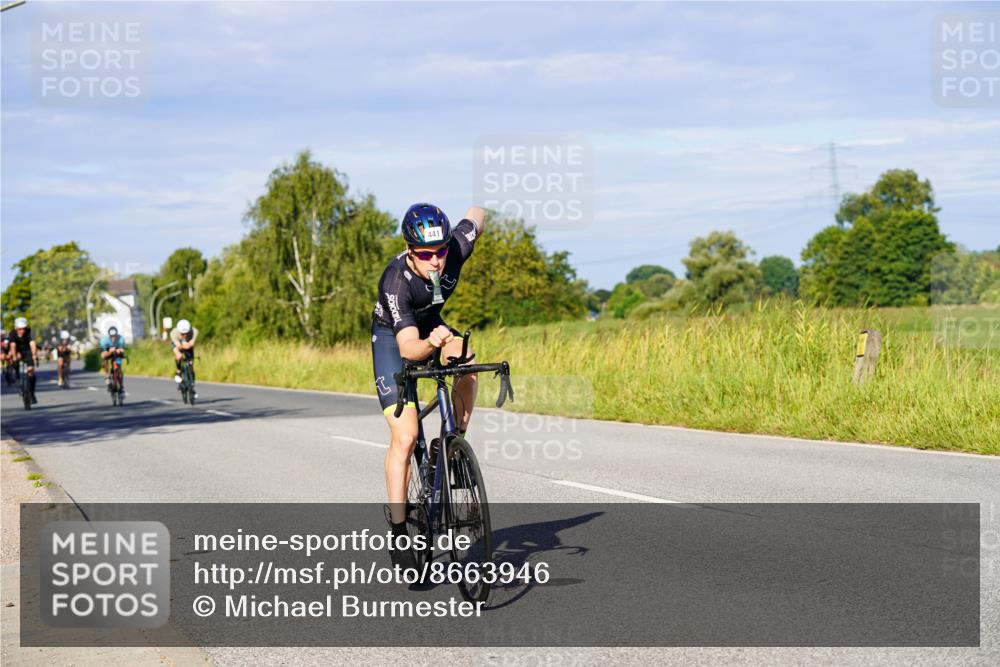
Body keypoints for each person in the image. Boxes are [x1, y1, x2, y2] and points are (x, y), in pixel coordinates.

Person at [371, 203, 486, 571]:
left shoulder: (454, 248)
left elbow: (477, 216)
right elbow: (410, 349)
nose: (435, 261)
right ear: (409, 250)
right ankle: (400, 527)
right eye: (425, 254)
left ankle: (451, 445)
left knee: (467, 361)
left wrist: (478, 211)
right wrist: (433, 344)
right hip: (395, 337)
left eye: (439, 252)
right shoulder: (395, 280)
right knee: (405, 437)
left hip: (433, 324)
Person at [8, 317, 39, 403]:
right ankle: (19, 382)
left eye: (23, 329)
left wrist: (34, 355)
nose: (21, 331)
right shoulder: (12, 333)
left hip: (28, 351)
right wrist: (14, 357)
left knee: (30, 371)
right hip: (18, 352)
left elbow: (33, 345)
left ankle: (32, 393)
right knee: (15, 361)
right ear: (16, 328)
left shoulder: (30, 332)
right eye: (19, 329)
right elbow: (13, 346)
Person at [170, 319, 198, 398]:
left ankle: (191, 382)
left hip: (188, 344)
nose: (185, 336)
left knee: (191, 362)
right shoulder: (174, 333)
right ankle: (178, 371)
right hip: (177, 344)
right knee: (179, 356)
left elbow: (191, 344)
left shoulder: (194, 331)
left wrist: (187, 344)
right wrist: (180, 348)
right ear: (179, 332)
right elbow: (178, 346)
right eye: (182, 334)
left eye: (187, 333)